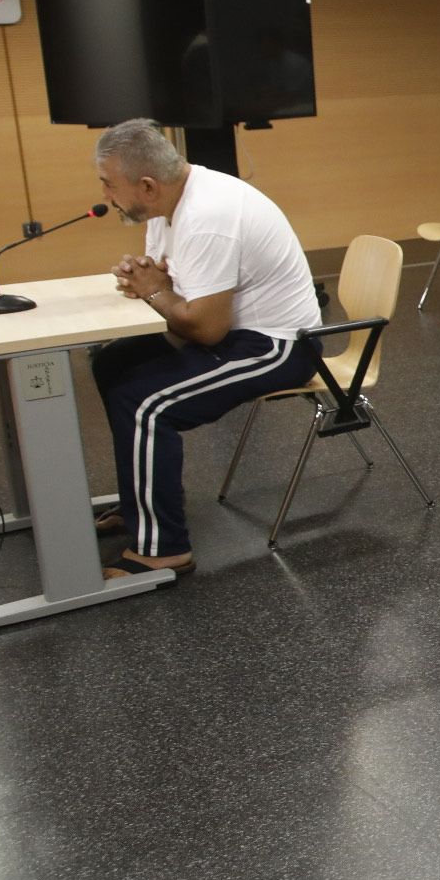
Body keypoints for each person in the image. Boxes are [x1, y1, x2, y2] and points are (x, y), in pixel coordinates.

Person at [89, 119, 320, 576]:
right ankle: (142, 501)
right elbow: (169, 282)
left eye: (109, 186)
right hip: (235, 331)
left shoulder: (208, 216)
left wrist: (154, 291)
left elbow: (206, 328)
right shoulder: (168, 206)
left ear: (149, 185)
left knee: (145, 405)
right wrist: (149, 282)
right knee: (113, 363)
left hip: (276, 345)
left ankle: (163, 550)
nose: (106, 197)